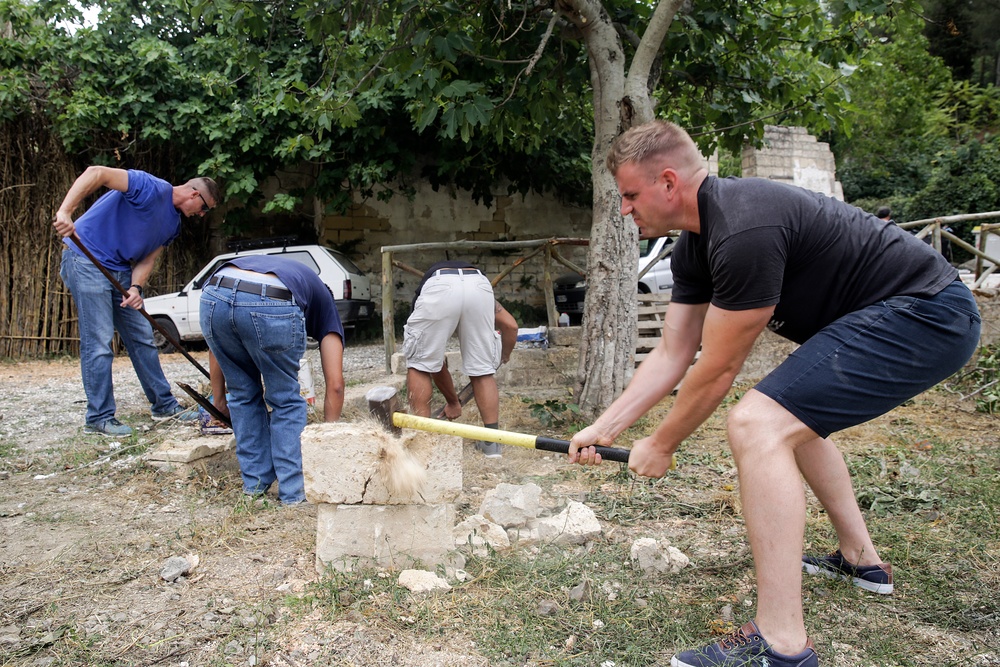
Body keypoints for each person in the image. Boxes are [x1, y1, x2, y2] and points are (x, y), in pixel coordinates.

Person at [569, 120, 981, 667]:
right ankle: (863, 561)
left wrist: (662, 443)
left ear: (668, 182)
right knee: (790, 417)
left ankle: (781, 644)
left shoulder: (743, 229)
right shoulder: (697, 243)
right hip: (894, 315)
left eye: (630, 195)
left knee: (757, 423)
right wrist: (607, 426)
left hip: (929, 314)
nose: (625, 209)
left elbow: (717, 368)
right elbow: (672, 353)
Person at [53, 166, 220, 437]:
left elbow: (147, 259)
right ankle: (99, 418)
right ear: (193, 193)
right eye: (204, 208)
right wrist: (65, 211)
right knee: (100, 341)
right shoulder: (149, 187)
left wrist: (135, 287)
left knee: (142, 337)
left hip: (119, 270)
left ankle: (164, 406)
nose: (201, 215)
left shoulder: (173, 225)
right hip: (85, 259)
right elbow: (96, 173)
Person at [200, 255, 345, 506]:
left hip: (215, 291)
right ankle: (292, 494)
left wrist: (219, 400)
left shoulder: (293, 274)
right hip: (273, 299)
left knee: (243, 395)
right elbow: (336, 385)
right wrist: (327, 439)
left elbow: (216, 349)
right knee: (285, 400)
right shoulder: (326, 306)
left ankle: (254, 487)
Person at [403, 261, 518, 457]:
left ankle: (421, 443)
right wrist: (504, 354)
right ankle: (492, 446)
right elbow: (511, 326)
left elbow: (433, 366)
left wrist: (453, 403)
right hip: (478, 286)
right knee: (483, 371)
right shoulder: (479, 289)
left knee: (419, 365)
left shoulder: (424, 297)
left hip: (440, 286)